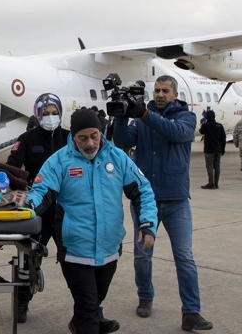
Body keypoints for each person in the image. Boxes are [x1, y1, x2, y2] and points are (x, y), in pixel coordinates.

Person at [25, 109, 158, 334]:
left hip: (110, 246)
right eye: (83, 138)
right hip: (75, 248)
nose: (90, 143)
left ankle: (84, 320)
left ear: (101, 132)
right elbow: (41, 190)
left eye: (94, 136)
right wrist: (28, 208)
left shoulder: (117, 157)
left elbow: (143, 190)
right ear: (73, 137)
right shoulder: (60, 161)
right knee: (87, 304)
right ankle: (87, 321)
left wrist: (147, 223)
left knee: (95, 298)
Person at [112, 75, 213, 331]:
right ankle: (145, 296)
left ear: (175, 94)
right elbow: (122, 142)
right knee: (142, 255)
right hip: (146, 201)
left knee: (185, 258)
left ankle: (191, 312)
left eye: (165, 91)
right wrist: (122, 114)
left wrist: (144, 114)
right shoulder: (143, 119)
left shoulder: (185, 117)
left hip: (176, 200)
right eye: (156, 90)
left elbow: (175, 133)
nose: (159, 94)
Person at [6, 92, 70, 323]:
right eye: (46, 113)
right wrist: (26, 186)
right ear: (37, 114)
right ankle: (21, 302)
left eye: (54, 113)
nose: (50, 117)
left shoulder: (70, 138)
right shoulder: (27, 139)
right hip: (37, 210)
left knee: (73, 261)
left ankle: (87, 308)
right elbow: (11, 168)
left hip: (65, 211)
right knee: (28, 259)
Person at [199, 110, 226, 189]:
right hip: (218, 149)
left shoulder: (205, 125)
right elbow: (223, 139)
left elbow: (201, 132)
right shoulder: (220, 126)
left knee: (209, 166)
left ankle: (211, 183)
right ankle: (216, 183)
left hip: (209, 149)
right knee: (217, 166)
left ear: (206, 117)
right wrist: (223, 149)